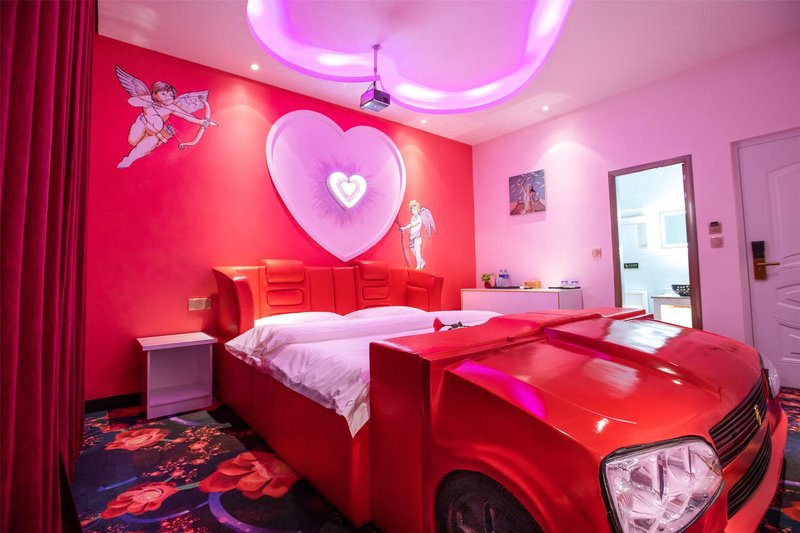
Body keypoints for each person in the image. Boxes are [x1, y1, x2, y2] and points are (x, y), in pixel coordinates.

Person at [115, 66, 217, 168]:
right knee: (132, 141)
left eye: (170, 95)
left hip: (156, 133)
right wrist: (148, 101)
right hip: (142, 124)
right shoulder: (149, 100)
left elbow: (186, 116)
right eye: (163, 94)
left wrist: (201, 122)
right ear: (155, 95)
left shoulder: (171, 107)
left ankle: (129, 160)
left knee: (148, 144)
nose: (168, 97)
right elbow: (131, 101)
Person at [400, 200, 427, 269]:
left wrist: (405, 228)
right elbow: (410, 224)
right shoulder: (413, 217)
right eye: (412, 210)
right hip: (412, 236)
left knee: (417, 250)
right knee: (412, 249)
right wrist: (403, 228)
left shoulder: (419, 218)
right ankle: (422, 261)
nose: (413, 211)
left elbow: (412, 225)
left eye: (415, 209)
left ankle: (418, 266)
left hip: (417, 236)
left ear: (417, 209)